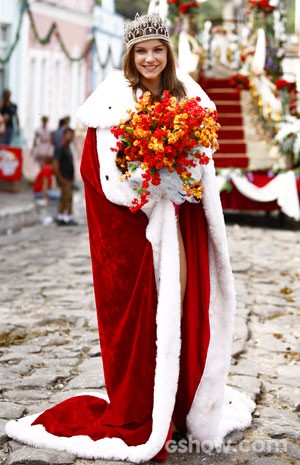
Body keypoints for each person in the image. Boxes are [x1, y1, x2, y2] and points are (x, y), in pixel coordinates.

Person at [5, 13, 254, 462]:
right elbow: (97, 170)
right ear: (130, 56)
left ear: (169, 54)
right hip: (139, 230)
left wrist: (184, 174)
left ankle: (179, 404)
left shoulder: (188, 97)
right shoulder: (112, 101)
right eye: (142, 51)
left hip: (182, 223)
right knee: (150, 316)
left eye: (158, 49)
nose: (150, 58)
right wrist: (146, 185)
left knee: (181, 305)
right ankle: (148, 405)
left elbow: (203, 159)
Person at [52, 127, 76, 225]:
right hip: (64, 178)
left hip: (69, 177)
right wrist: (60, 177)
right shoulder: (60, 147)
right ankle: (67, 217)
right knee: (67, 198)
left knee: (65, 198)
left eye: (72, 135)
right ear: (64, 135)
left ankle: (61, 217)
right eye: (69, 134)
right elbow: (55, 162)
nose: (71, 137)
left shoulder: (68, 147)